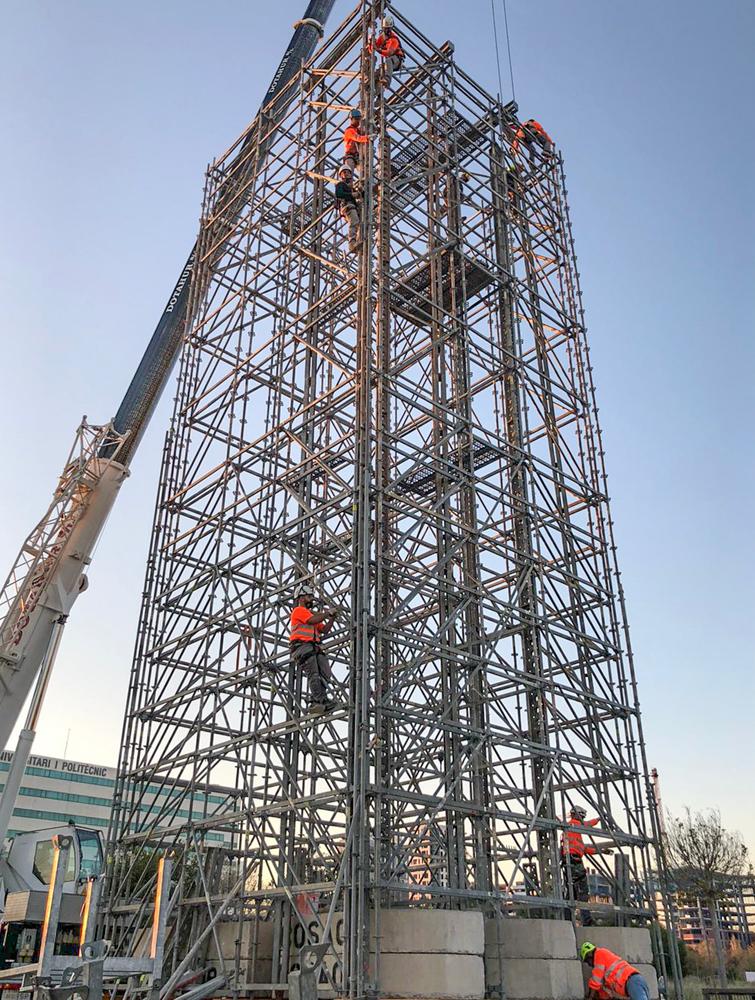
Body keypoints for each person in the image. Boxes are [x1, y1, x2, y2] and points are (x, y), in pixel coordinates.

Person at [289, 589, 339, 715]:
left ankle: (319, 700)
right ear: (301, 598)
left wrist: (331, 619)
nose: (311, 599)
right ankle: (318, 701)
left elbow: (325, 629)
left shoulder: (311, 614)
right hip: (301, 647)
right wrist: (327, 613)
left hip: (313, 647)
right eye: (308, 596)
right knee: (314, 674)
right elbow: (312, 621)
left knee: (326, 673)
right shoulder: (299, 611)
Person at [560, 805, 600, 926]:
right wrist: (599, 819)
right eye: (582, 817)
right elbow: (587, 824)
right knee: (582, 892)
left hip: (571, 861)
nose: (583, 819)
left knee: (571, 892)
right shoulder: (573, 825)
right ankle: (586, 920)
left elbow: (584, 848)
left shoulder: (573, 832)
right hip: (573, 861)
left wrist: (600, 851)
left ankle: (567, 919)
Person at [580, 941, 651, 1000]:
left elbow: (595, 982)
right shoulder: (606, 972)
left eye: (587, 961)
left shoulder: (599, 954)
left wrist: (590, 997)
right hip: (634, 982)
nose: (589, 965)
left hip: (632, 982)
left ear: (589, 955)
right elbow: (605, 994)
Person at [370, 14, 404, 90]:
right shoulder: (382, 37)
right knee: (382, 68)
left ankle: (387, 80)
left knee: (389, 60)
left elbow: (389, 52)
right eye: (385, 29)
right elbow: (373, 48)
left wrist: (378, 50)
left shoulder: (394, 40)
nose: (386, 31)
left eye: (388, 29)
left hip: (396, 61)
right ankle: (380, 85)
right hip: (388, 62)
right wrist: (371, 43)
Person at [334, 166, 362, 253]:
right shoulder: (341, 184)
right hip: (347, 206)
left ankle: (357, 240)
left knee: (358, 224)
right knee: (354, 222)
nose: (346, 174)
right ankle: (352, 244)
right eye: (344, 173)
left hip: (353, 207)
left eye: (348, 172)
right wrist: (352, 195)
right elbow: (339, 194)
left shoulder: (351, 188)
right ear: (341, 176)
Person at [343, 108, 370, 173]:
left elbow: (362, 133)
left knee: (364, 172)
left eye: (359, 119)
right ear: (351, 119)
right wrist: (368, 138)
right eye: (356, 119)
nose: (358, 121)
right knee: (349, 172)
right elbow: (358, 138)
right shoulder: (349, 131)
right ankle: (348, 182)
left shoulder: (356, 130)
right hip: (350, 155)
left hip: (357, 156)